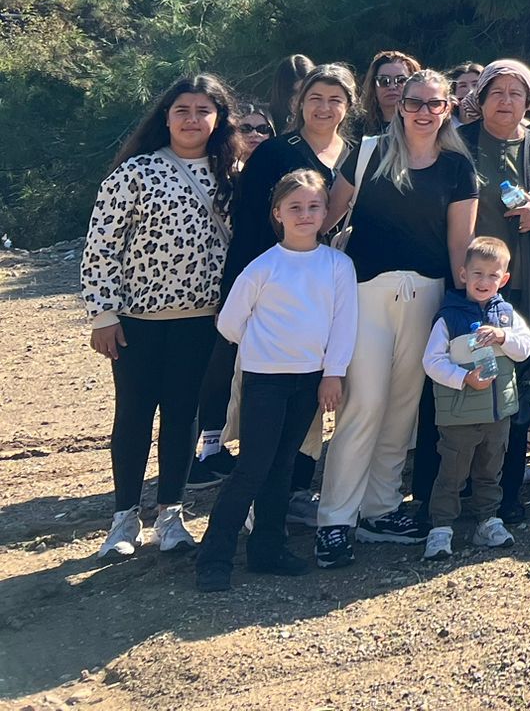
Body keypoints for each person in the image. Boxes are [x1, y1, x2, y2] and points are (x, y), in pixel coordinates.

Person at [315, 70, 479, 568]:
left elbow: (459, 244)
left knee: (403, 408)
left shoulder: (458, 167)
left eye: (435, 104)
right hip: (365, 292)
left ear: (448, 109)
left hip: (428, 294)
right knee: (363, 404)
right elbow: (325, 218)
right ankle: (335, 519)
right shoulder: (367, 153)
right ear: (399, 105)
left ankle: (380, 509)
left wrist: (464, 307)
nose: (424, 112)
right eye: (415, 103)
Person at [81, 73, 238, 561]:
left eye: (203, 111)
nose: (192, 120)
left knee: (182, 414)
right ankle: (124, 517)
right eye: (182, 110)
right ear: (165, 117)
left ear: (218, 119)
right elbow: (102, 246)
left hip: (202, 318)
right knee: (133, 413)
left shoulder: (232, 175)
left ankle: (171, 514)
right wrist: (103, 313)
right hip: (137, 320)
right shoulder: (135, 172)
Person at [194, 62, 358, 491]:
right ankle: (261, 488)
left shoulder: (358, 155)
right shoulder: (275, 152)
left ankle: (298, 485)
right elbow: (249, 227)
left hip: (334, 280)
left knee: (320, 384)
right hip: (278, 286)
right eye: (315, 98)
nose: (324, 108)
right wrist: (236, 291)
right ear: (299, 102)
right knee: (274, 390)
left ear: (349, 106)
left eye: (335, 100)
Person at [193, 170, 355, 590]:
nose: (305, 215)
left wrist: (333, 374)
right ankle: (214, 556)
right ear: (278, 213)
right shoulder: (263, 267)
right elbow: (230, 324)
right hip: (265, 381)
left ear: (326, 212)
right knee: (252, 467)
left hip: (310, 381)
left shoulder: (338, 265)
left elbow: (344, 324)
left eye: (314, 206)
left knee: (283, 465)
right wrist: (266, 347)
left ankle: (267, 548)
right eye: (295, 207)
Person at [458, 59, 530, 521]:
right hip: (466, 290)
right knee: (465, 384)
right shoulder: (458, 142)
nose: (506, 101)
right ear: (481, 98)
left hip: (521, 287)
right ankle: (452, 491)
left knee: (514, 392)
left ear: (527, 102)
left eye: (516, 93)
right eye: (497, 92)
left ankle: (505, 494)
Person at [420, 235, 530, 559]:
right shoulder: (449, 317)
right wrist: (464, 379)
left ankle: (488, 521)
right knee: (452, 473)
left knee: (490, 471)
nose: (484, 282)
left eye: (492, 276)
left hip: (497, 414)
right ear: (463, 275)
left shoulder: (507, 316)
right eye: (477, 274)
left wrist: (503, 336)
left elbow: (525, 348)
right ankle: (441, 528)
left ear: (504, 279)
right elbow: (431, 362)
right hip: (459, 416)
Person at [358, 50, 422, 137]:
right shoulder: (358, 130)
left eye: (401, 80)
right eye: (384, 81)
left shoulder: (424, 127)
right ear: (373, 86)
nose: (392, 87)